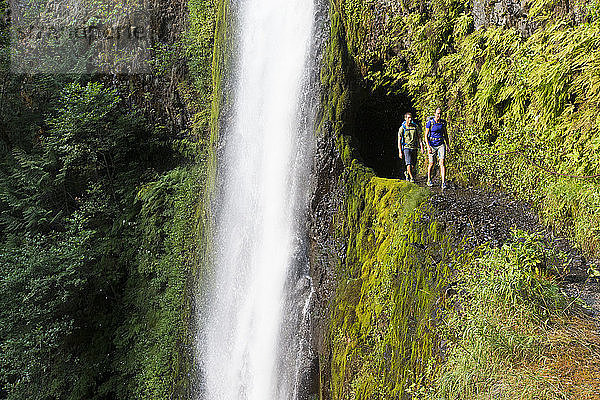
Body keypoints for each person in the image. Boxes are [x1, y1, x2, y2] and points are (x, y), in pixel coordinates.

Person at [424, 107, 449, 189]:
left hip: (441, 144)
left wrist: (448, 145)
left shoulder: (443, 123)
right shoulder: (430, 123)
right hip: (432, 145)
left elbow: (445, 135)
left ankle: (443, 182)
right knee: (432, 163)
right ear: (435, 114)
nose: (439, 115)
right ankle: (429, 179)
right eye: (438, 113)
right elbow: (426, 136)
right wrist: (428, 147)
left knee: (442, 162)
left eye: (440, 113)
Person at [398, 112, 423, 182]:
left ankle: (407, 173)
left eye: (411, 117)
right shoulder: (402, 128)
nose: (410, 119)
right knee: (408, 163)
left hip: (414, 148)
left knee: (413, 165)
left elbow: (419, 137)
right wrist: (400, 151)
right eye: (408, 118)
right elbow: (399, 140)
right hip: (406, 148)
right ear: (405, 118)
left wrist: (421, 147)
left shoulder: (415, 127)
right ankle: (412, 178)